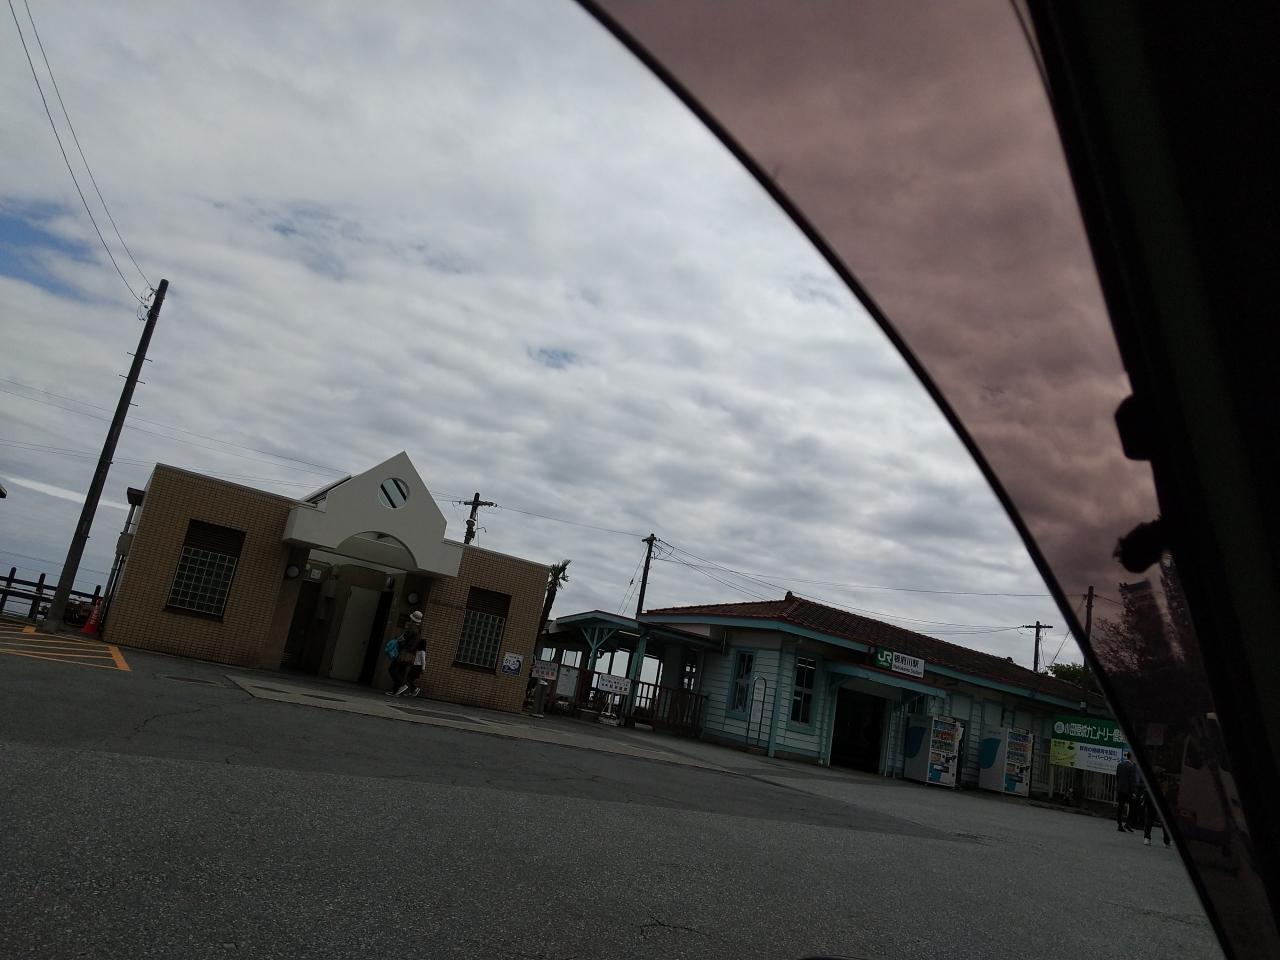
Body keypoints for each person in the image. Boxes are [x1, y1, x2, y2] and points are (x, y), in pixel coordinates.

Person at [386, 610, 422, 695]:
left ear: (412, 619)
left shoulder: (412, 629)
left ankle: (401, 685)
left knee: (392, 669)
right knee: (401, 671)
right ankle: (396, 691)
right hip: (410, 653)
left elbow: (403, 639)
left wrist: (396, 640)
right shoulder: (418, 630)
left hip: (404, 652)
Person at [1115, 750, 1138, 832]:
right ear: (1132, 757)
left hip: (1120, 788)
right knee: (1133, 807)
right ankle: (1128, 823)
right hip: (1128, 790)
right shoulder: (1132, 767)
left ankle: (1119, 824)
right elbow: (1132, 780)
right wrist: (1134, 792)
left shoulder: (1120, 764)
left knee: (1120, 806)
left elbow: (1117, 776)